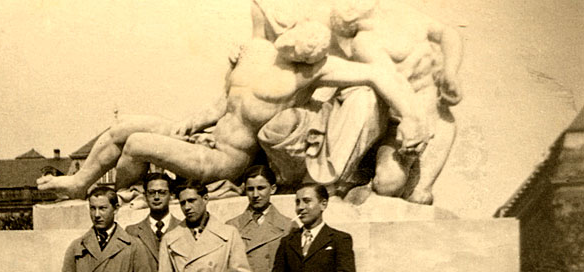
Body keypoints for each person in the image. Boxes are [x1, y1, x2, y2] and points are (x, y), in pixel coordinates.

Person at [36, 16, 429, 201]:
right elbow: (229, 100)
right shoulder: (258, 50)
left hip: (226, 160)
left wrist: (411, 117)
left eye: (307, 53)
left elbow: (381, 77)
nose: (298, 52)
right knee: (125, 127)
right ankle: (79, 183)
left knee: (137, 143)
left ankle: (126, 198)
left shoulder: (316, 72)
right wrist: (197, 119)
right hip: (205, 133)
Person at [328, 0, 464, 204]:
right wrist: (413, 121)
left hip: (434, 111)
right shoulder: (364, 43)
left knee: (420, 197)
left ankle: (413, 186)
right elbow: (395, 83)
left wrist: (450, 72)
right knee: (388, 184)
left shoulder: (404, 14)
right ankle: (364, 188)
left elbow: (448, 34)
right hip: (400, 121)